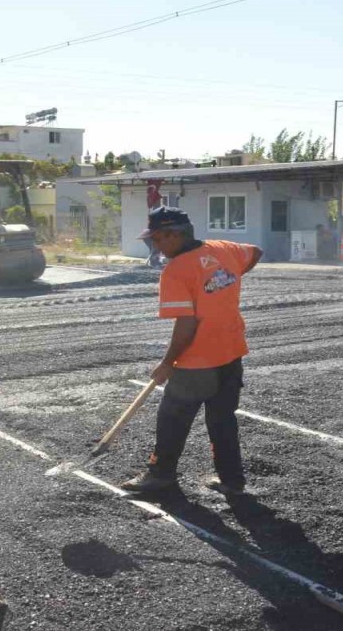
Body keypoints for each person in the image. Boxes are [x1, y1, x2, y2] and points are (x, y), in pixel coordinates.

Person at [122, 207, 262, 496]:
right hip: (231, 352)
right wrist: (230, 277)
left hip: (197, 362)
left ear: (174, 234)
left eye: (158, 239)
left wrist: (167, 362)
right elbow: (255, 252)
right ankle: (232, 480)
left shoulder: (176, 270)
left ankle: (161, 475)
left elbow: (186, 324)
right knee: (222, 420)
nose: (156, 247)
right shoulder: (224, 249)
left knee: (172, 418)